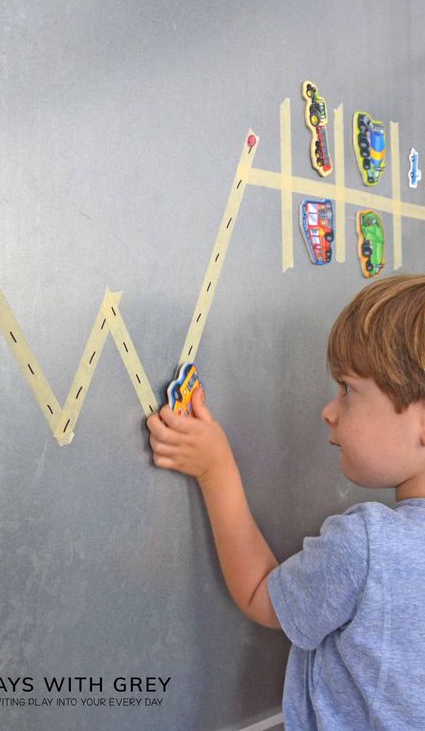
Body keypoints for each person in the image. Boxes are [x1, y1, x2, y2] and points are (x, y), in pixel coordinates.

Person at [147, 274, 425, 730]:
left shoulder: (369, 546)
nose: (328, 410)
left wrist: (215, 469)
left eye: (348, 389)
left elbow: (261, 594)